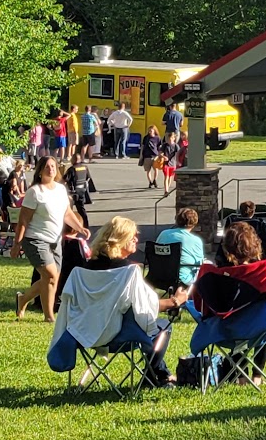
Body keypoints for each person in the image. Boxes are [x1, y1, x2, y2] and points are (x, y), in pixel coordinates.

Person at [46, 214, 179, 388]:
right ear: (121, 241)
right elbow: (146, 309)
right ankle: (154, 376)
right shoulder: (129, 272)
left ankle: (161, 374)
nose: (136, 239)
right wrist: (175, 301)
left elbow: (68, 307)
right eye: (133, 237)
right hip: (118, 337)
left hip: (82, 335)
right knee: (161, 327)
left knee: (148, 326)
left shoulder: (80, 271)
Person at [185, 216, 266, 377]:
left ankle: (240, 376)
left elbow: (200, 305)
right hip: (256, 332)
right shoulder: (264, 271)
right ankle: (257, 376)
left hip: (221, 332)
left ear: (226, 248)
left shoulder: (209, 274)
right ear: (256, 246)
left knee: (234, 316)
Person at [10, 154, 87, 323]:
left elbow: (67, 213)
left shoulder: (60, 189)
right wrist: (17, 244)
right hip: (35, 240)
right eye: (47, 167)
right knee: (51, 275)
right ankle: (50, 316)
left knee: (51, 279)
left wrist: (80, 227)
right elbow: (23, 220)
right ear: (39, 171)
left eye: (53, 166)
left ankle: (26, 301)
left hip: (55, 241)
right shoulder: (35, 192)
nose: (51, 169)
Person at [153, 204, 205, 289]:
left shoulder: (164, 234)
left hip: (159, 276)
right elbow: (200, 263)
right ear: (194, 223)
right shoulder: (195, 241)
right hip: (183, 279)